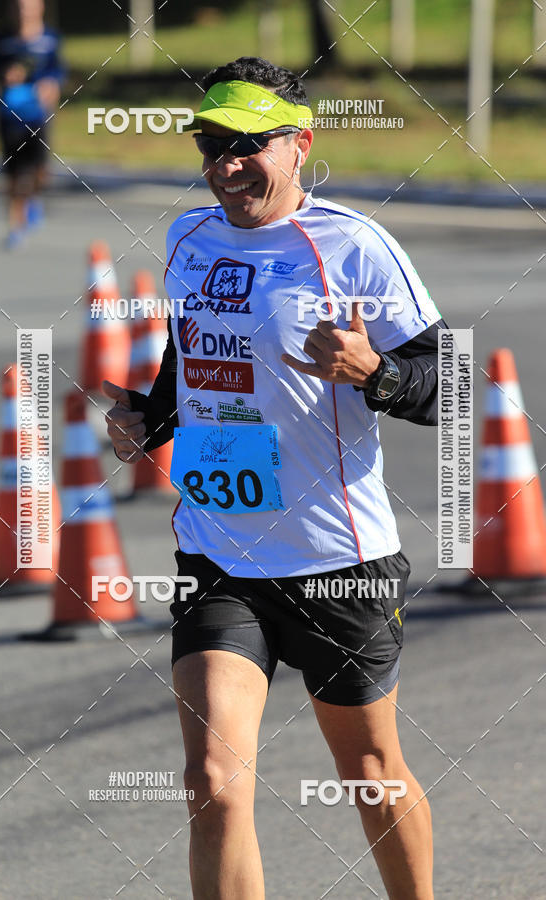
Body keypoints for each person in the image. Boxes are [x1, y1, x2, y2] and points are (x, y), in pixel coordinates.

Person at [104, 56, 446, 899]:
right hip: (219, 556)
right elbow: (195, 360)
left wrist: (376, 373)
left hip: (338, 559)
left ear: (300, 145)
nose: (225, 166)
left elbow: (453, 385)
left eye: (246, 146)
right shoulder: (188, 237)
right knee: (212, 782)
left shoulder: (353, 246)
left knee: (369, 771)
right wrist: (151, 418)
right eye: (211, 146)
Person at [0, 0, 65, 249]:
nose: (23, 12)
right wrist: (4, 74)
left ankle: (34, 198)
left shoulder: (50, 38)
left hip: (38, 113)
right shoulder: (1, 38)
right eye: (18, 7)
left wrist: (50, 84)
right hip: (8, 113)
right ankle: (15, 227)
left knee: (40, 170)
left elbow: (59, 70)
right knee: (13, 174)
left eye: (28, 6)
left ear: (39, 7)